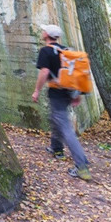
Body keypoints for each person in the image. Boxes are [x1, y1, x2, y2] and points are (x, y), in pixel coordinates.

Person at [31, 24, 92, 181]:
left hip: (57, 93)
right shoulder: (65, 51)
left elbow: (44, 72)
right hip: (68, 92)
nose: (42, 31)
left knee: (65, 127)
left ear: (47, 35)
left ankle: (81, 165)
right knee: (56, 119)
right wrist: (76, 95)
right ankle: (56, 148)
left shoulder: (46, 51)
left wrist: (36, 90)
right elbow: (74, 74)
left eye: (43, 30)